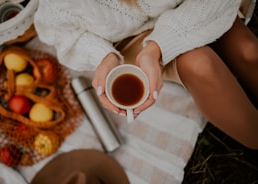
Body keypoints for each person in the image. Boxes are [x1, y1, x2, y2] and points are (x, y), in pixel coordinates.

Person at [34, 0, 258, 149]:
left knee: (249, 51)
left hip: (192, 7)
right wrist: (104, 56)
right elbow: (58, 29)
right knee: (200, 65)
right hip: (131, 36)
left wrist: (161, 43)